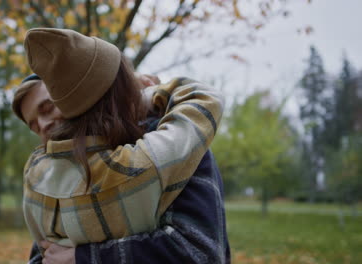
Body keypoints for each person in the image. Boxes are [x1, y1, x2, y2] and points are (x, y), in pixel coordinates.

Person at [12, 28, 229, 263]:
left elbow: (199, 249)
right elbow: (44, 253)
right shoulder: (52, 174)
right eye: (33, 126)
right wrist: (146, 94)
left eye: (47, 107)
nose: (43, 126)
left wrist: (86, 258)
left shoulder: (169, 142)